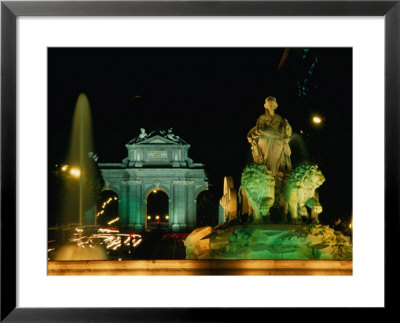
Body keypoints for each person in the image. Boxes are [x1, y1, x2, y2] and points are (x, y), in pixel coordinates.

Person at [247, 96, 292, 176]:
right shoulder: (262, 117)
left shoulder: (279, 118)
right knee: (263, 140)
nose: (270, 106)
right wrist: (268, 133)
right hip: (265, 135)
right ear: (266, 106)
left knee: (280, 142)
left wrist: (287, 125)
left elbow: (285, 130)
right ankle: (266, 167)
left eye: (272, 105)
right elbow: (259, 129)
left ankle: (276, 169)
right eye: (269, 105)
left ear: (275, 106)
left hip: (277, 137)